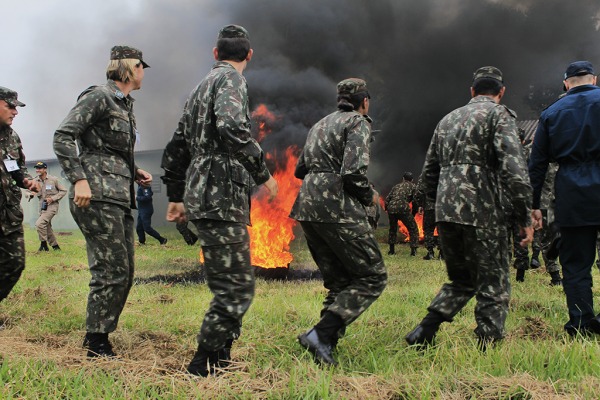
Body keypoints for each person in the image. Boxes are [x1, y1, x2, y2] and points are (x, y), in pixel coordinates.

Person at [161, 25, 278, 377]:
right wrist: (263, 173)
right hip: (221, 194)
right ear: (250, 55)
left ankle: (221, 356)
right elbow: (231, 127)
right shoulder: (231, 81)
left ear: (215, 53)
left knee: (228, 282)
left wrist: (177, 196)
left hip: (202, 192)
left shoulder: (199, 88)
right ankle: (204, 363)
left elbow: (176, 146)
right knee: (237, 286)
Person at [406, 66, 533, 350]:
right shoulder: (500, 115)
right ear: (501, 92)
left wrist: (444, 202)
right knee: (494, 283)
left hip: (447, 212)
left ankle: (424, 331)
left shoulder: (447, 120)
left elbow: (428, 175)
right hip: (484, 212)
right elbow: (516, 172)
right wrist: (524, 216)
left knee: (461, 279)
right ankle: (488, 346)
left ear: (472, 91)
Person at [53, 45, 152, 357]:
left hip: (119, 196)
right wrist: (79, 179)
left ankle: (98, 335)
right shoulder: (100, 96)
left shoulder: (124, 105)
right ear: (127, 68)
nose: (143, 72)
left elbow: (111, 150)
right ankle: (96, 344)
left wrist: (134, 171)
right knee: (110, 269)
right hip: (95, 195)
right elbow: (63, 136)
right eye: (140, 66)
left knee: (125, 271)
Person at [290, 78, 387, 366]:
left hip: (307, 206)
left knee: (339, 282)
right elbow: (353, 173)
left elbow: (299, 169)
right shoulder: (358, 122)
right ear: (364, 101)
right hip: (336, 208)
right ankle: (320, 334)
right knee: (372, 276)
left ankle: (323, 344)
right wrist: (371, 196)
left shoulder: (319, 125)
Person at [529, 60, 600, 336]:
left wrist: (534, 205)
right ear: (593, 79)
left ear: (565, 83)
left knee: (576, 263)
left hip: (573, 194)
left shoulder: (551, 114)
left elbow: (537, 165)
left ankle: (581, 323)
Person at [0, 87, 39, 304]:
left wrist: (26, 180)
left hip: (9, 214)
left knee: (15, 263)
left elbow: (16, 167)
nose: (15, 112)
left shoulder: (12, 136)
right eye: (10, 106)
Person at [29, 161, 67, 251]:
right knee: (47, 227)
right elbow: (28, 191)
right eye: (36, 168)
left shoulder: (53, 180)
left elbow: (63, 191)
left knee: (39, 224)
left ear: (45, 169)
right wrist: (31, 194)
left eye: (40, 168)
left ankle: (43, 244)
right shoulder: (35, 180)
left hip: (52, 206)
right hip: (42, 207)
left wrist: (53, 198)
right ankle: (55, 247)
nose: (37, 170)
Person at [385, 171, 419, 256]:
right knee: (413, 229)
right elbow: (415, 201)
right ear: (412, 180)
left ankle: (391, 251)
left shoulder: (396, 186)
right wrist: (414, 213)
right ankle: (413, 251)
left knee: (392, 229)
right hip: (403, 208)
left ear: (403, 179)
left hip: (391, 208)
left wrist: (388, 209)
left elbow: (387, 199)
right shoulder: (413, 186)